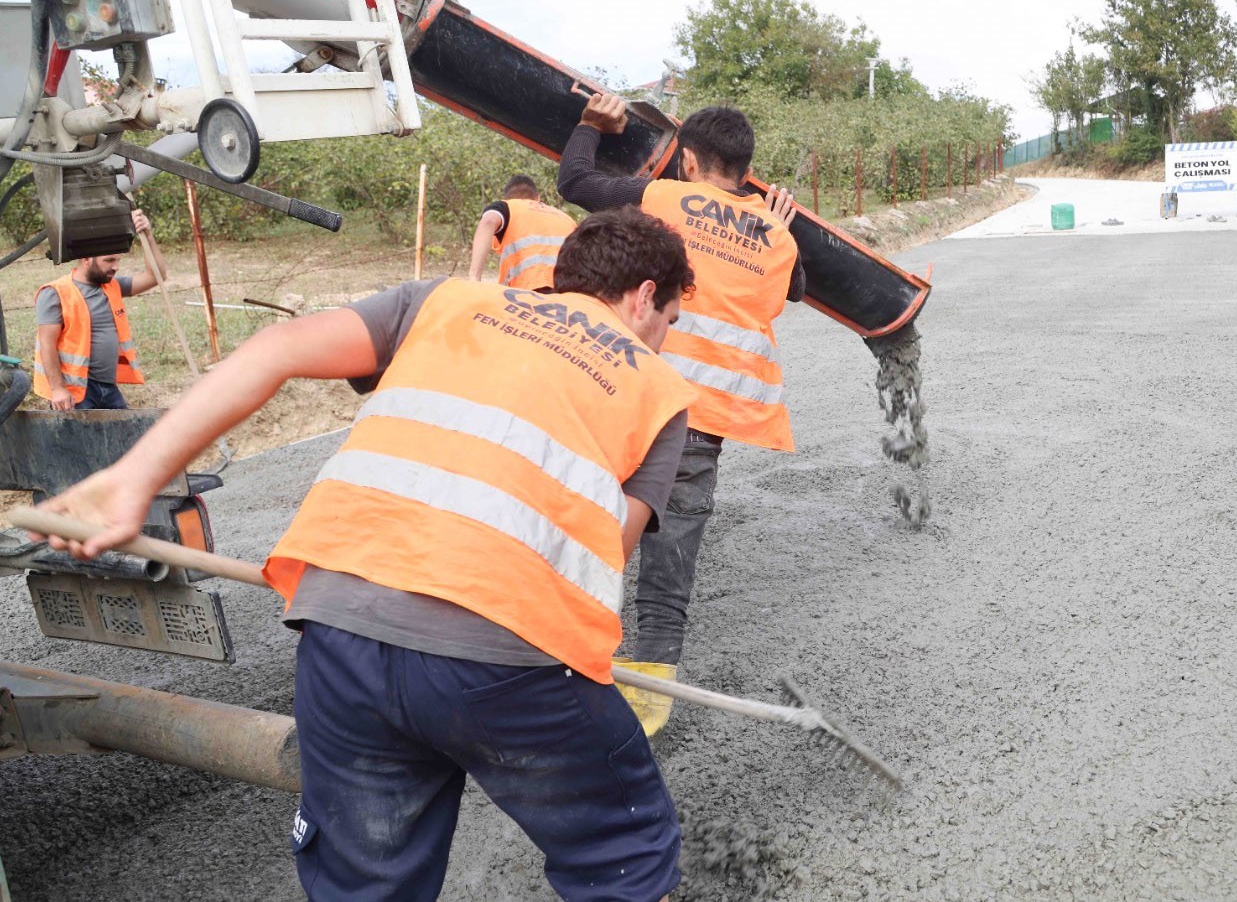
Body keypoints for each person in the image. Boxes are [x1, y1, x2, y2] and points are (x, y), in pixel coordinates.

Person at [31, 207, 699, 902]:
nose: (665, 341)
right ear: (646, 296)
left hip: (341, 634)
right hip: (511, 657)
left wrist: (133, 480)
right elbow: (605, 548)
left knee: (366, 887)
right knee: (626, 853)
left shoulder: (442, 299)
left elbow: (279, 348)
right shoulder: (657, 390)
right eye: (671, 321)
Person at [557, 93, 802, 733]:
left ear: (687, 161)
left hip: (627, 395)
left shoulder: (662, 199)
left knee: (574, 517)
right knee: (668, 564)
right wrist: (777, 224)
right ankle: (648, 707)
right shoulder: (777, 237)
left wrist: (590, 126)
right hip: (701, 420)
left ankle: (545, 656)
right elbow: (792, 290)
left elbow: (576, 183)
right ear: (746, 169)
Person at [33, 208, 168, 410]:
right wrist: (58, 389)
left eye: (118, 260)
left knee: (125, 438)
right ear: (86, 259)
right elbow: (47, 345)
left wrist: (147, 235)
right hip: (75, 393)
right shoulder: (55, 293)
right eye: (109, 260)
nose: (116, 267)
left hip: (108, 388)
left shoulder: (112, 286)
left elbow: (155, 275)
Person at [467, 173, 577, 289]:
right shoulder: (566, 218)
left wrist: (474, 278)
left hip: (528, 293)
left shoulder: (507, 207)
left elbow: (488, 221)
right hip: (569, 293)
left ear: (506, 199)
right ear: (538, 198)